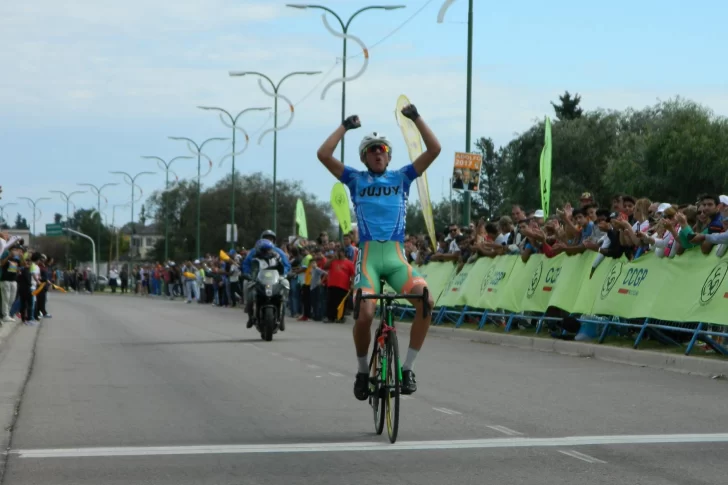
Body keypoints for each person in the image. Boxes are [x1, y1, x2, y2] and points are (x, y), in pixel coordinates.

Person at [316, 103, 441, 399]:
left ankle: (408, 368)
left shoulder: (402, 177)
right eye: (372, 149)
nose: (377, 152)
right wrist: (345, 126)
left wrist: (416, 118)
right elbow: (323, 155)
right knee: (365, 313)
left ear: (388, 154)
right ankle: (362, 372)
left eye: (382, 148)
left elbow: (434, 149)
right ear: (364, 156)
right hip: (369, 259)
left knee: (426, 301)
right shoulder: (355, 179)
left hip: (397, 259)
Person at [242, 231, 292, 329]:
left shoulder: (278, 253)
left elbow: (286, 265)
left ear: (273, 240)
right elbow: (246, 264)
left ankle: (282, 314)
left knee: (286, 283)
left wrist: (285, 274)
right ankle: (249, 313)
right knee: (246, 285)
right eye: (266, 238)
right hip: (258, 279)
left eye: (270, 238)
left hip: (275, 279)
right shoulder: (253, 253)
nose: (269, 240)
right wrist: (247, 274)